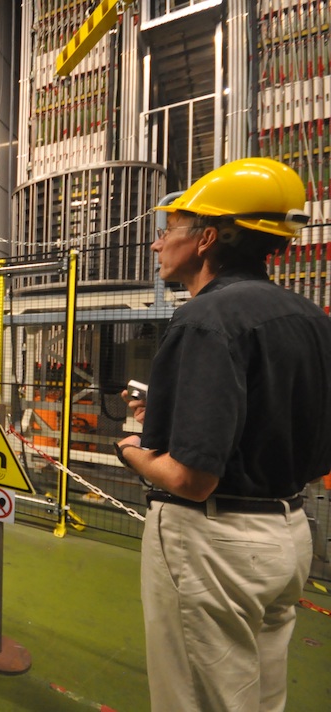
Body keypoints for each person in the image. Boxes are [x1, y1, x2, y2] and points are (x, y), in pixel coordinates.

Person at [115, 157, 331, 712]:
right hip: (288, 539)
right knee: (261, 699)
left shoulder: (206, 320)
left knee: (201, 701)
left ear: (206, 238)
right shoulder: (311, 319)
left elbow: (191, 480)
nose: (158, 244)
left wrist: (134, 451)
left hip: (214, 546)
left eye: (169, 231)